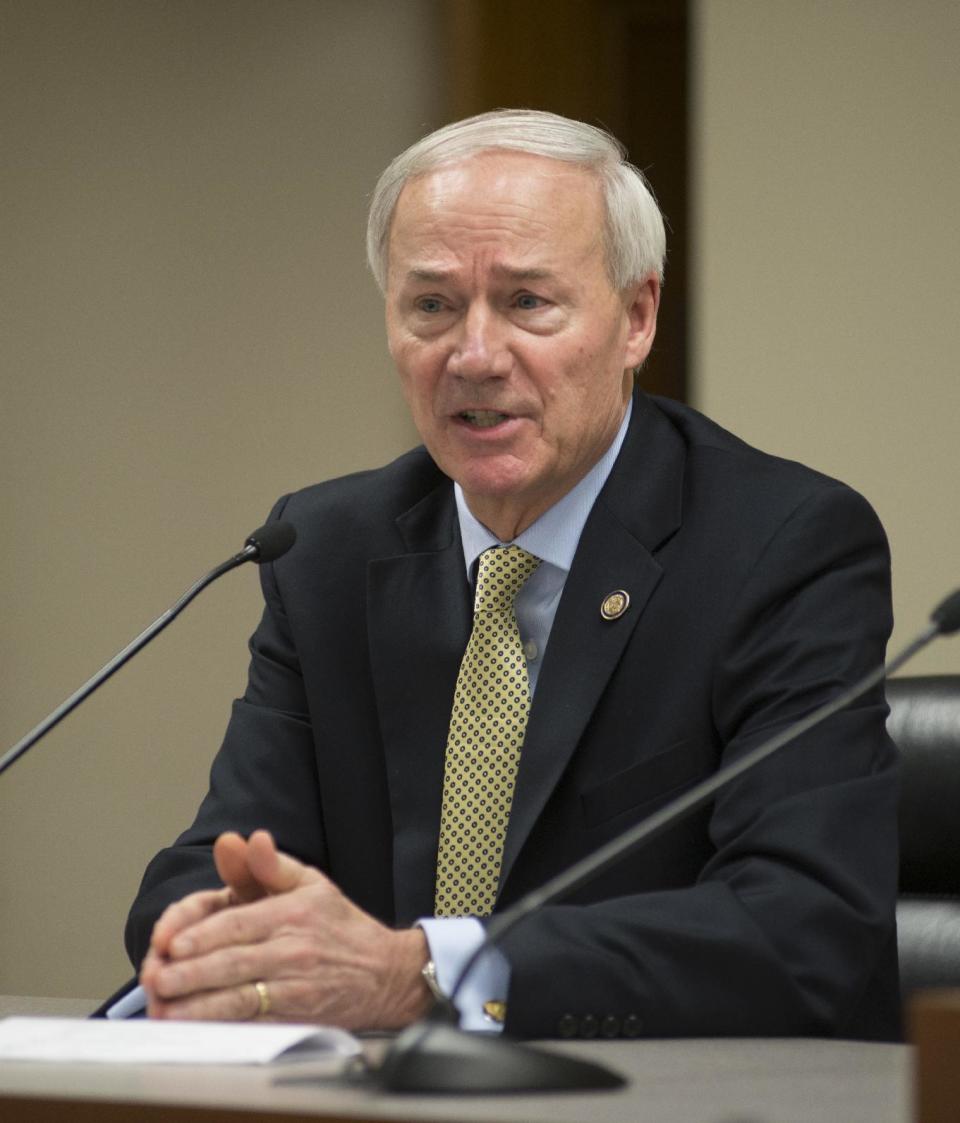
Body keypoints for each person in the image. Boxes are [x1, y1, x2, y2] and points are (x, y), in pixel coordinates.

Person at [129, 109, 900, 1041]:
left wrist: (426, 973)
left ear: (637, 317)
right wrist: (216, 936)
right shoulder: (324, 548)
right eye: (432, 306)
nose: (476, 356)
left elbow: (805, 928)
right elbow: (221, 861)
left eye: (528, 302)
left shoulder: (779, 545)